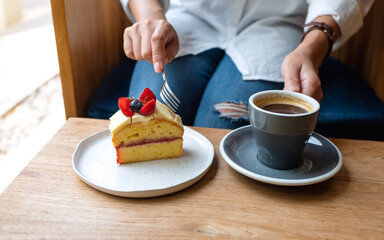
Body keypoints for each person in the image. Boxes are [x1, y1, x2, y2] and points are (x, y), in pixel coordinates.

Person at [88, 0, 384, 139]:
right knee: (149, 125)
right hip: (186, 18)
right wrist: (150, 17)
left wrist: (311, 49)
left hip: (277, 25)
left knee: (223, 130)